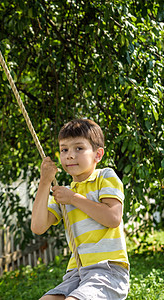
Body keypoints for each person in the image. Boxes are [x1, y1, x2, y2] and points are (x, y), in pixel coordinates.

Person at [31, 118, 130, 300]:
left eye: (79, 148)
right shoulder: (65, 194)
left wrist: (73, 199)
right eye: (64, 150)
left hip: (108, 270)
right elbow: (38, 227)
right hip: (77, 272)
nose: (70, 155)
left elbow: (113, 217)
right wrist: (44, 182)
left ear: (97, 155)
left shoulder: (105, 176)